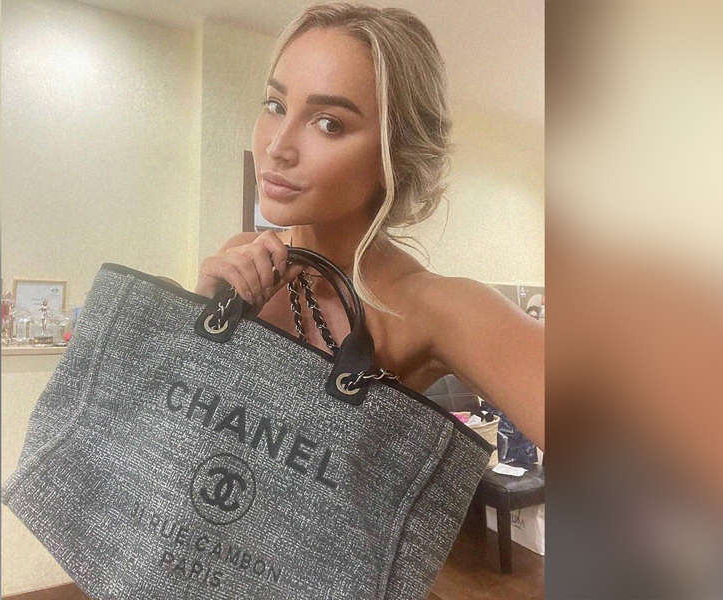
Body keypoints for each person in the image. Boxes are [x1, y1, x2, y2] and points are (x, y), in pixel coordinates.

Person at [194, 2, 544, 450]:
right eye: (276, 105)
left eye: (329, 124)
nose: (277, 146)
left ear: (393, 154)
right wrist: (194, 314)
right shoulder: (242, 255)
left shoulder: (434, 306)